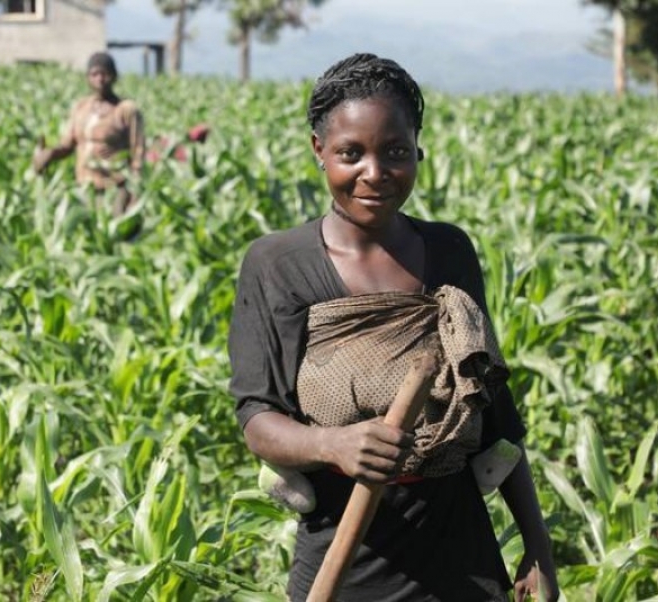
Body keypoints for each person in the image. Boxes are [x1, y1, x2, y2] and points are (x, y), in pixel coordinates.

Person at [227, 53, 559, 601]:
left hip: (461, 556)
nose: (375, 172)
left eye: (396, 152)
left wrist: (537, 544)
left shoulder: (449, 251)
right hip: (343, 553)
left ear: (418, 151)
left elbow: (493, 408)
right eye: (350, 153)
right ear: (318, 150)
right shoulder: (278, 264)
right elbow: (257, 416)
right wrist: (333, 443)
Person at [32, 51, 145, 216]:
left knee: (115, 228)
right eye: (94, 74)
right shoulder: (80, 107)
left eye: (105, 74)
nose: (100, 79)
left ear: (114, 77)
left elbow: (138, 154)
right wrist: (49, 154)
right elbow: (67, 145)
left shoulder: (126, 110)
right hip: (85, 187)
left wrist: (135, 193)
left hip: (115, 188)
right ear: (87, 78)